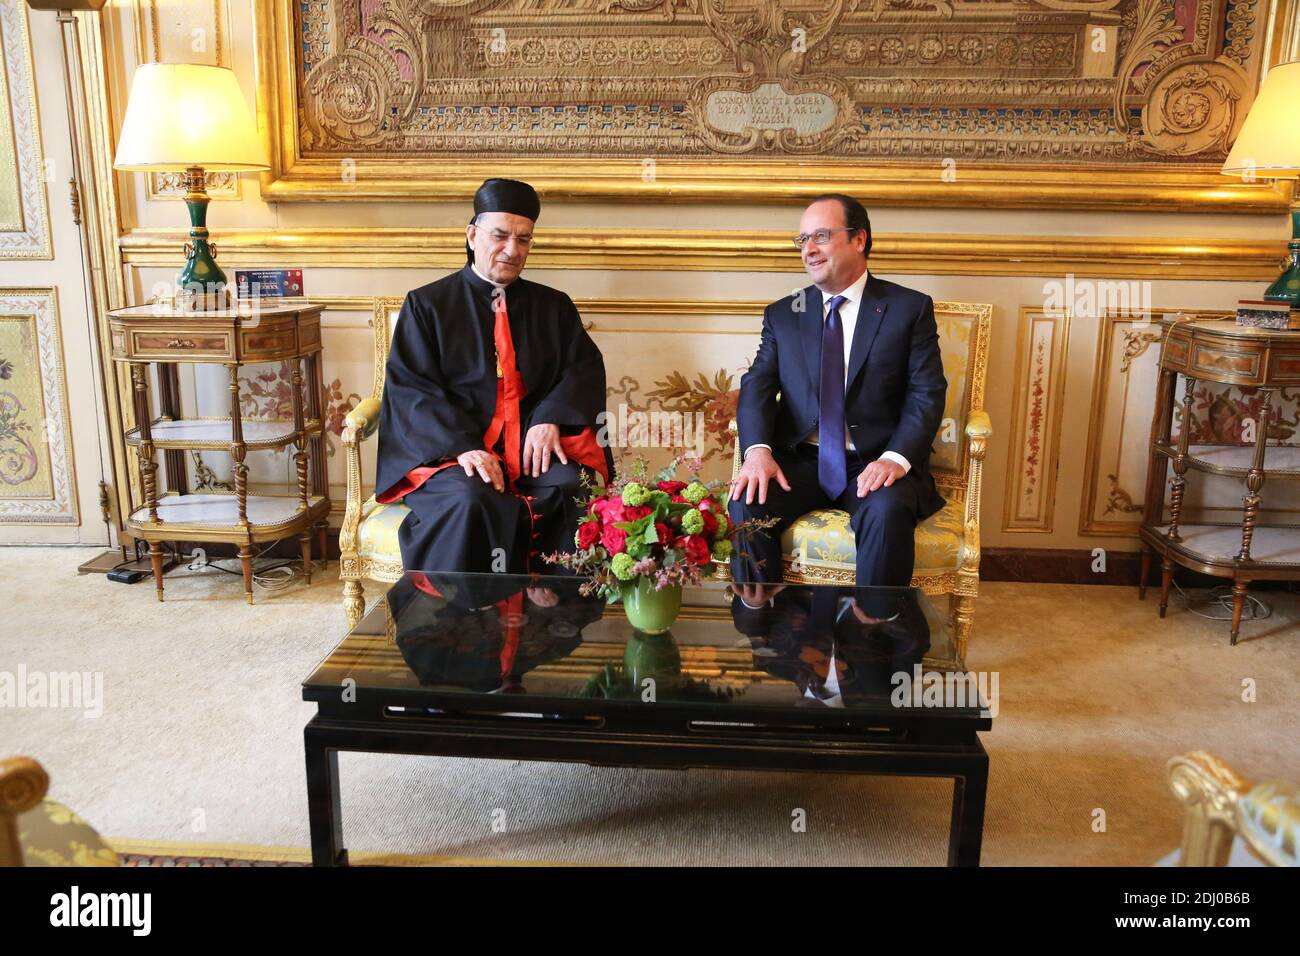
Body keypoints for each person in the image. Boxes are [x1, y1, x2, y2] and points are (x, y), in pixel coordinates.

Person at [375, 178, 612, 575]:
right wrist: (465, 447)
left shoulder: (553, 306)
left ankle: (554, 617)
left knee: (573, 484)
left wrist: (550, 417)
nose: (512, 250)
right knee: (472, 496)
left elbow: (583, 367)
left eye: (524, 239)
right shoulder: (427, 305)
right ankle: (464, 616)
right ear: (472, 235)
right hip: (453, 451)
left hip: (530, 447)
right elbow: (414, 391)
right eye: (500, 236)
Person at [729, 194, 946, 597]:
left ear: (859, 239)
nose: (808, 250)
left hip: (875, 460)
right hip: (802, 461)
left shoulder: (907, 308)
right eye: (802, 240)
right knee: (748, 502)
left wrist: (895, 458)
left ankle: (875, 631)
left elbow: (926, 392)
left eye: (821, 237)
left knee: (886, 511)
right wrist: (757, 451)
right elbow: (758, 383)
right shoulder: (784, 313)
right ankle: (764, 630)